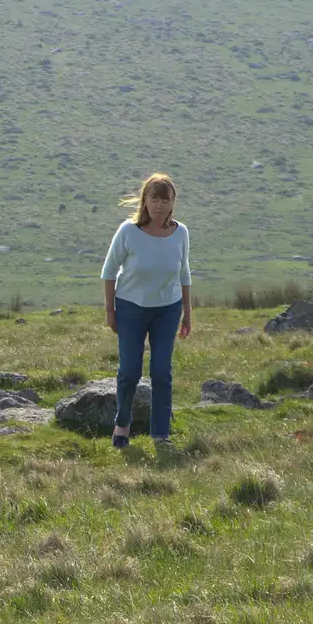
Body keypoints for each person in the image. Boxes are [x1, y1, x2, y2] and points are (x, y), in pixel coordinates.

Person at [100, 172, 192, 448]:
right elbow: (108, 271)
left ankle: (161, 434)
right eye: (155, 199)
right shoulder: (129, 231)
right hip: (131, 308)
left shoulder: (181, 233)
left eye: (165, 200)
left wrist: (188, 313)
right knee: (129, 371)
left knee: (162, 370)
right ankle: (122, 427)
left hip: (168, 309)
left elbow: (184, 273)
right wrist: (110, 312)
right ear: (145, 201)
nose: (160, 206)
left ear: (173, 202)